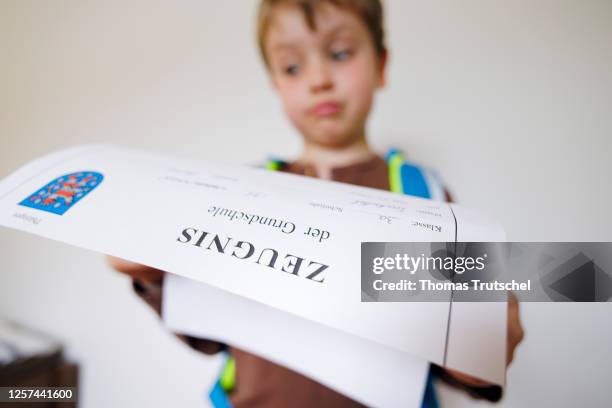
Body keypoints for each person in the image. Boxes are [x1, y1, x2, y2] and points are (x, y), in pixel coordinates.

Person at [108, 0, 524, 406]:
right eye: (292, 66)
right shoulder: (240, 191)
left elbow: (463, 353)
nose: (319, 78)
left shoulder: (426, 196)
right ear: (275, 82)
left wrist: (479, 354)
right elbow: (207, 333)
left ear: (381, 65)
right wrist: (155, 279)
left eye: (340, 53)